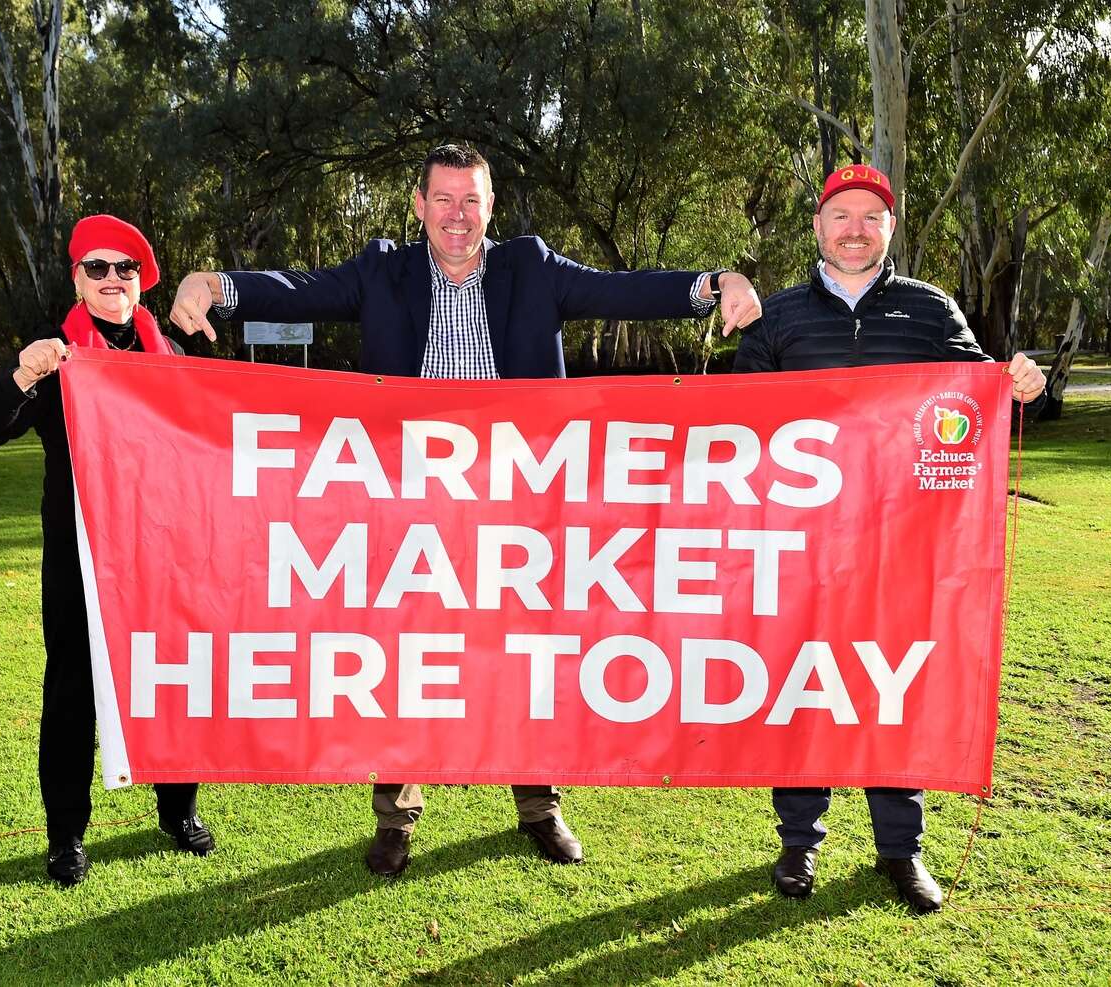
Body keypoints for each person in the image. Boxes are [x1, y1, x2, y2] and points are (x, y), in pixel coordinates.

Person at [167, 143, 764, 878]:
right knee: (407, 657)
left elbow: (625, 289)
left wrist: (714, 283)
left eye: (471, 200)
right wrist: (214, 283)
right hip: (412, 507)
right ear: (419, 207)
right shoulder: (383, 270)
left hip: (519, 505)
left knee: (527, 655)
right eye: (443, 200)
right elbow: (296, 290)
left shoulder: (531, 267)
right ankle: (396, 816)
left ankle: (539, 804)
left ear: (491, 208)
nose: (457, 216)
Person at [733, 163, 1046, 914]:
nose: (855, 229)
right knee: (804, 689)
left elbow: (976, 393)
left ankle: (900, 851)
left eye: (871, 217)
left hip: (901, 546)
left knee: (889, 686)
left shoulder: (930, 311)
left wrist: (1020, 380)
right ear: (818, 225)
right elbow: (738, 427)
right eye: (841, 214)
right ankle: (798, 842)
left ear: (890, 229)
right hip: (802, 548)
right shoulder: (775, 319)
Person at [0, 215, 216, 887]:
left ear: (141, 283)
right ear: (77, 279)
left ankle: (178, 808)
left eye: (124, 269)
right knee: (72, 688)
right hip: (79, 557)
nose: (111, 280)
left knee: (170, 678)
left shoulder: (174, 359)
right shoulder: (58, 358)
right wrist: (23, 372)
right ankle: (67, 833)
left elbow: (214, 449)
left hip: (164, 556)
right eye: (97, 268)